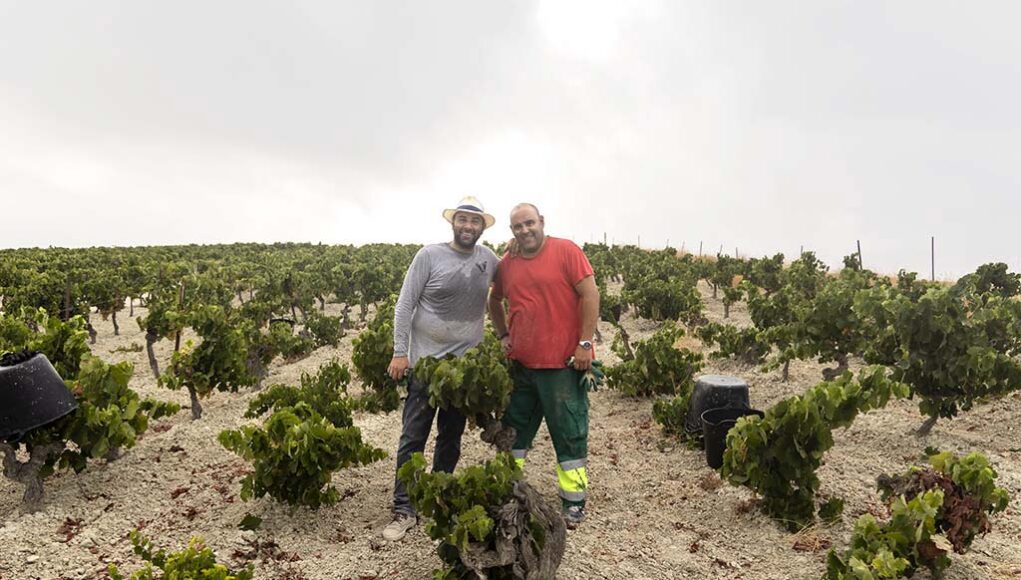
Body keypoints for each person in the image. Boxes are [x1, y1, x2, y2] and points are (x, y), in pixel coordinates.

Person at [382, 196, 500, 541]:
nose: (468, 226)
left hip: (462, 373)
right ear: (453, 223)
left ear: (482, 227)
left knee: (451, 438)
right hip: (424, 367)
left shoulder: (488, 259)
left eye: (474, 221)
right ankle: (404, 508)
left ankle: (439, 497)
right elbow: (404, 306)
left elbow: (512, 280)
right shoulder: (429, 256)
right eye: (462, 220)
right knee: (413, 438)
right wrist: (400, 352)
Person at [487, 203, 600, 529]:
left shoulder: (566, 251)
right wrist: (503, 335)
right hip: (521, 366)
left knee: (570, 435)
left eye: (529, 223)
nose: (525, 231)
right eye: (518, 227)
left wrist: (585, 343)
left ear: (541, 222)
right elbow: (494, 299)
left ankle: (574, 503)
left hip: (562, 366)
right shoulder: (509, 263)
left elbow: (590, 294)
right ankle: (509, 491)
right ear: (512, 233)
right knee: (513, 434)